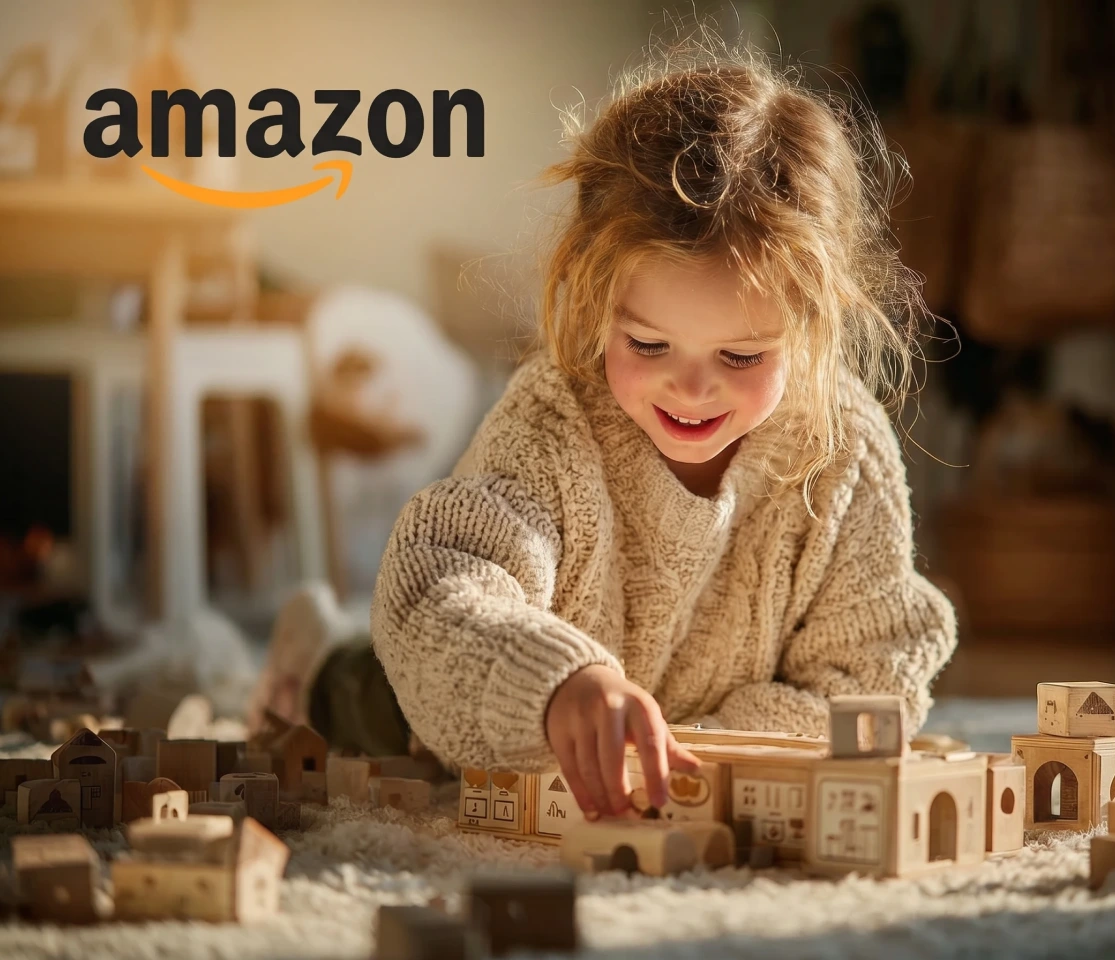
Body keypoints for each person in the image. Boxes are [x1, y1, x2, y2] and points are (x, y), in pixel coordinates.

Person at [246, 32, 957, 823]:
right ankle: (315, 649)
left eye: (743, 355)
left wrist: (701, 747)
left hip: (696, 716)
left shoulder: (846, 447)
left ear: (814, 326)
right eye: (647, 344)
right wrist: (557, 685)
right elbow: (436, 588)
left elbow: (878, 672)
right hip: (483, 705)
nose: (691, 385)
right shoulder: (553, 421)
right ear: (594, 303)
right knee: (376, 703)